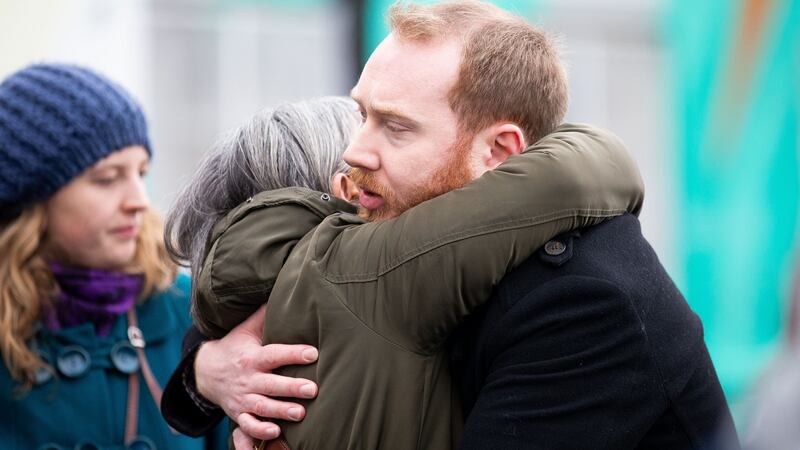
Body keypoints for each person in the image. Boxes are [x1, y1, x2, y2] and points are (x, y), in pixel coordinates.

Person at [170, 1, 740, 449]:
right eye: (362, 113)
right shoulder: (398, 219)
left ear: (499, 152)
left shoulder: (587, 302)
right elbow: (276, 276)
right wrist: (209, 370)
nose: (353, 151)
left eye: (396, 127)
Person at [160, 93, 643, 450]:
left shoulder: (246, 293)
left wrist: (202, 373)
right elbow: (590, 167)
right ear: (343, 194)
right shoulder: (376, 270)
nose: (372, 157)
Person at [0, 63, 227, 450]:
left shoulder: (194, 311)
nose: (139, 201)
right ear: (33, 199)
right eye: (107, 178)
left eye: (142, 173)